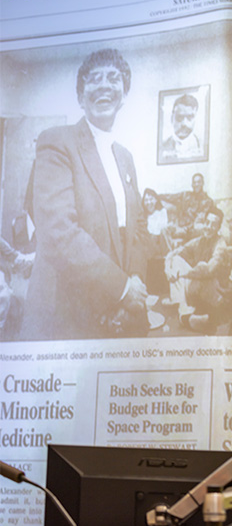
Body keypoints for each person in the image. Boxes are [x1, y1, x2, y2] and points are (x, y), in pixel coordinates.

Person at [21, 48, 149, 340]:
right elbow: (58, 233)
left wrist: (136, 278)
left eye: (113, 78)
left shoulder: (125, 157)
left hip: (117, 311)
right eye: (95, 79)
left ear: (124, 95)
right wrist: (123, 288)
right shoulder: (56, 141)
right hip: (65, 311)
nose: (105, 85)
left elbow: (138, 227)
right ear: (81, 97)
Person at [164, 208, 229, 333]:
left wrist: (181, 274)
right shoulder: (199, 241)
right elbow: (173, 253)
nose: (209, 227)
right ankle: (185, 311)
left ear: (218, 228)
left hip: (216, 292)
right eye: (207, 223)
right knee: (176, 260)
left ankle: (186, 315)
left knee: (201, 265)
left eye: (213, 225)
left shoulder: (221, 245)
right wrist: (168, 269)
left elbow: (208, 270)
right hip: (198, 289)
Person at [160, 94, 201, 161]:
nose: (184, 123)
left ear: (195, 119)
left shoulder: (202, 146)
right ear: (171, 119)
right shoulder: (162, 147)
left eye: (189, 117)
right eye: (179, 117)